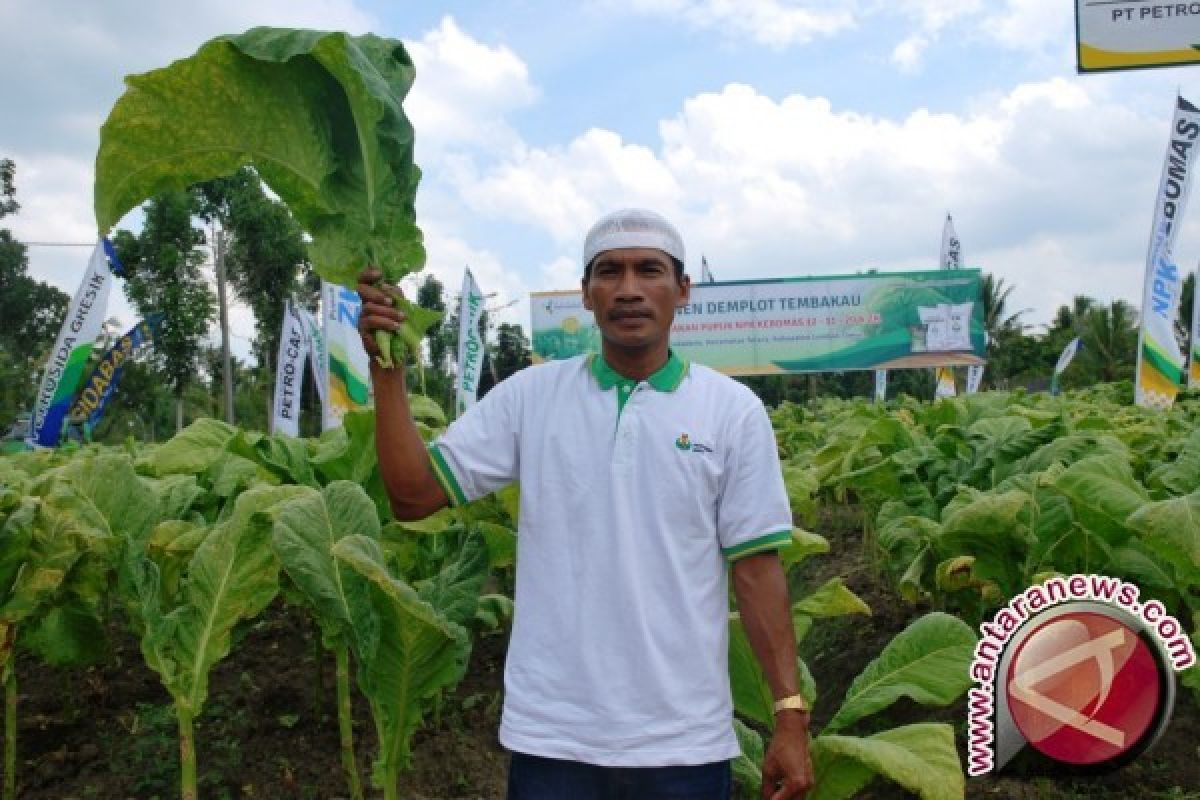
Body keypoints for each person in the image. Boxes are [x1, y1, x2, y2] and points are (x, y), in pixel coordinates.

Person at [357, 208, 813, 800]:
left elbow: (757, 572)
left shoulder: (732, 412)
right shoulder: (529, 398)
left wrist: (789, 715)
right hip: (555, 736)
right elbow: (413, 496)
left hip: (684, 740)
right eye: (608, 272)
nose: (628, 289)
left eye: (649, 270)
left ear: (682, 291)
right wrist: (385, 369)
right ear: (586, 293)